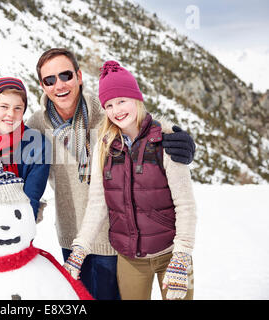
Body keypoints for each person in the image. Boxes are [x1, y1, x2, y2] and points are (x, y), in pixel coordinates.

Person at [26, 48, 196, 300]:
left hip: (118, 241)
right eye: (49, 80)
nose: (59, 85)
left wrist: (181, 141)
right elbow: (18, 163)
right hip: (73, 239)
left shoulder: (105, 115)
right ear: (42, 85)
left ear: (79, 76)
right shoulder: (37, 126)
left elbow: (141, 122)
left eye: (65, 75)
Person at [0, 77, 50, 221]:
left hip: (18, 227)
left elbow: (31, 198)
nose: (11, 114)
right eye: (4, 107)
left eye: (18, 108)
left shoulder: (38, 145)